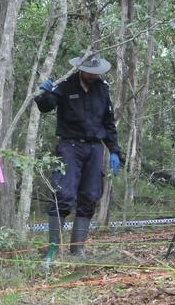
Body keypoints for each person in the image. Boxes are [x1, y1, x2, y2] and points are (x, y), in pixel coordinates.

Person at [35, 52, 121, 256]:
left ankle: (78, 249)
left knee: (90, 195)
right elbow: (46, 107)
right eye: (90, 73)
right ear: (81, 69)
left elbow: (108, 123)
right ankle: (54, 249)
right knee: (63, 194)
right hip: (69, 146)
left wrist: (114, 150)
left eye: (96, 73)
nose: (93, 76)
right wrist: (44, 93)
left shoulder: (102, 88)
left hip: (94, 148)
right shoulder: (65, 84)